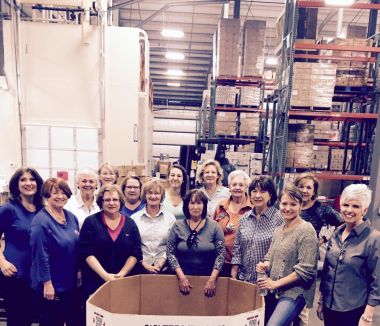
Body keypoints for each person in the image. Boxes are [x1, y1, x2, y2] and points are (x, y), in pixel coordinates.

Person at [317, 184, 380, 326]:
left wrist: (367, 316)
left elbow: (377, 282)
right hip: (329, 306)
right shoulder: (336, 234)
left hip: (354, 310)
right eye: (345, 205)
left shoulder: (373, 239)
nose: (349, 210)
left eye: (356, 206)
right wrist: (321, 300)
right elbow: (327, 271)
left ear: (365, 209)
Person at [256, 185, 318, 326]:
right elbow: (270, 256)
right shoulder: (279, 230)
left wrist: (275, 283)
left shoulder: (306, 230)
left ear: (301, 205)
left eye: (293, 204)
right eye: (284, 204)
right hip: (275, 290)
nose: (287, 208)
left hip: (295, 292)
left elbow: (305, 270)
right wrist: (265, 265)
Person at [30, 178, 80, 326]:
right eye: (55, 192)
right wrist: (47, 283)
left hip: (69, 284)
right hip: (50, 287)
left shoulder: (71, 218)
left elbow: (76, 248)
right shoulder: (41, 222)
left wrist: (78, 271)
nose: (60, 196)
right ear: (46, 195)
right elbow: (40, 256)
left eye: (64, 192)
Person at [79, 184, 142, 299]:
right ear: (101, 202)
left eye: (115, 200)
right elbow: (86, 252)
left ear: (120, 201)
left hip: (124, 281)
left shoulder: (130, 224)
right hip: (95, 282)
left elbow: (136, 252)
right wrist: (106, 276)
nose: (111, 203)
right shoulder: (91, 222)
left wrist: (121, 275)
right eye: (107, 200)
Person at [0, 167, 43, 326]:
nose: (28, 183)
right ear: (16, 185)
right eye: (23, 180)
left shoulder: (42, 210)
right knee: (19, 320)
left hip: (38, 276)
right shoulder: (8, 209)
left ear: (38, 184)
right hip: (15, 275)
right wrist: (1, 262)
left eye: (32, 179)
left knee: (36, 318)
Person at [166, 189, 225, 297]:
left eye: (199, 203)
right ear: (186, 206)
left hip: (208, 282)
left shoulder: (214, 226)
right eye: (192, 203)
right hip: (180, 280)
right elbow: (170, 253)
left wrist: (212, 280)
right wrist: (181, 277)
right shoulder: (177, 226)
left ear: (204, 206)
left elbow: (221, 255)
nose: (196, 207)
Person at [231, 175, 283, 283]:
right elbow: (237, 247)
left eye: (262, 191)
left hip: (267, 281)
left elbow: (282, 252)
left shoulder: (279, 219)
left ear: (270, 195)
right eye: (254, 191)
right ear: (249, 194)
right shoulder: (244, 218)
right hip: (243, 278)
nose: (257, 195)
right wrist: (234, 270)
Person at [131, 179, 176, 274]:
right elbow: (132, 246)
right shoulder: (135, 218)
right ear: (145, 195)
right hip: (140, 269)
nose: (153, 196)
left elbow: (172, 245)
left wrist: (161, 263)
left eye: (157, 193)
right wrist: (143, 264)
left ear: (162, 196)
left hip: (165, 268)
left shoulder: (170, 218)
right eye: (150, 193)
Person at [213, 170, 252, 277]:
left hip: (243, 263)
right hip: (220, 261)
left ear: (246, 187)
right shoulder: (221, 206)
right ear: (229, 187)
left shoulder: (252, 208)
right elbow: (213, 230)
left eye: (241, 185)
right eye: (234, 184)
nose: (237, 187)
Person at [294, 173, 342, 243]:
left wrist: (325, 238)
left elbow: (343, 223)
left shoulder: (322, 209)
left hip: (310, 252)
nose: (304, 191)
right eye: (301, 187)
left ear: (314, 192)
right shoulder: (290, 207)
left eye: (309, 188)